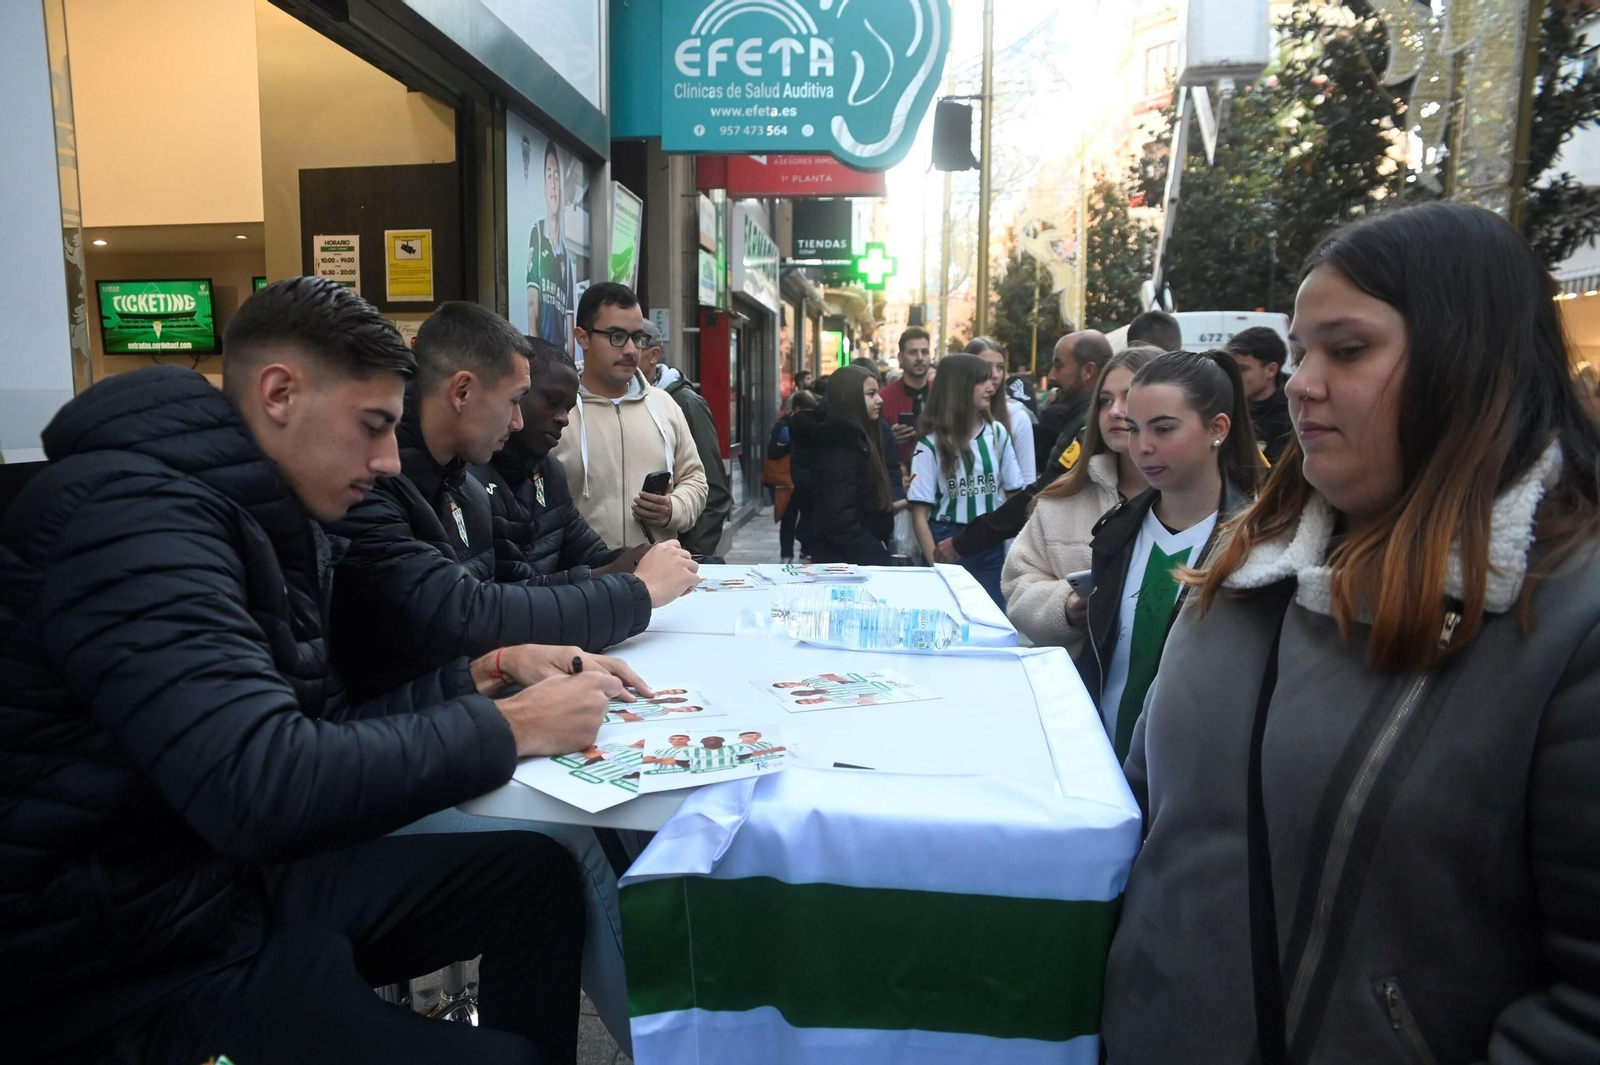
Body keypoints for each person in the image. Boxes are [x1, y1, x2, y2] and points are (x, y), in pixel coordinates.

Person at [0, 277, 634, 1064]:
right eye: (371, 427)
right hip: (116, 963)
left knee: (533, 876)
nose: (384, 461)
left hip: (218, 890)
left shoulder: (260, 512)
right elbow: (260, 783)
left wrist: (478, 678)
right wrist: (508, 726)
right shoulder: (126, 518)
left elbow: (313, 731)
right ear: (278, 393)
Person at [1103, 202, 1600, 1063]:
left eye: (1349, 349)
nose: (1300, 381)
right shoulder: (1246, 552)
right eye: (1300, 352)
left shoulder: (1571, 615)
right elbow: (1150, 807)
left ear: (1466, 359)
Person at [329, 302, 698, 696]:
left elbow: (472, 619)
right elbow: (469, 615)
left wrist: (505, 667)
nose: (519, 421)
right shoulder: (373, 487)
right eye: (371, 425)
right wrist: (636, 591)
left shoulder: (461, 484)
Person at [1070, 349, 1263, 762]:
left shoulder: (1256, 548)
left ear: (1218, 428)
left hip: (1189, 785)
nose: (1142, 447)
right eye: (1135, 429)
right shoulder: (1117, 532)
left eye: (1163, 429)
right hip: (1097, 765)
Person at [1001, 347, 1157, 651]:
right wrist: (1067, 607)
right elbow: (1018, 586)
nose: (1115, 411)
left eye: (1129, 397)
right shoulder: (1061, 499)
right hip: (1075, 684)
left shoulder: (1197, 502)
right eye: (1105, 401)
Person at [473, 335, 656, 586]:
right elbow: (497, 597)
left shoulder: (550, 471)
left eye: (569, 408)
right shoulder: (466, 477)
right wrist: (605, 573)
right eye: (552, 401)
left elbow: (591, 554)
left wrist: (640, 559)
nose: (563, 419)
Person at [552, 283, 709, 551]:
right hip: (581, 583)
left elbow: (695, 479)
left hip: (657, 578)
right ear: (582, 337)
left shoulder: (664, 406)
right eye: (616, 336)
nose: (631, 350)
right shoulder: (557, 411)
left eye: (637, 337)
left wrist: (674, 508)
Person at [908, 353, 1026, 605]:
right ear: (959, 387)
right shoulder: (930, 444)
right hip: (944, 536)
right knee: (944, 622)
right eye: (981, 381)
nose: (991, 386)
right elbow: (919, 514)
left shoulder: (997, 433)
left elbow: (1015, 496)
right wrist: (936, 563)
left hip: (988, 540)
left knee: (991, 621)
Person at [641, 319, 732, 556]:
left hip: (676, 552)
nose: (625, 350)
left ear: (653, 356)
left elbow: (713, 490)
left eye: (634, 341)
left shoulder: (685, 403)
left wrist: (693, 553)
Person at [790, 365, 897, 565]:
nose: (879, 400)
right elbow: (839, 520)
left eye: (878, 393)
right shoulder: (840, 447)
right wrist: (879, 557)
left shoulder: (859, 439)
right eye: (871, 394)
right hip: (844, 563)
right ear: (850, 398)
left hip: (855, 558)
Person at [966, 336, 1038, 480]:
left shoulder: (1017, 417)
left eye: (1000, 367)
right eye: (986, 367)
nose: (995, 375)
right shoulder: (947, 417)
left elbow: (1028, 479)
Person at [528, 140, 575, 350]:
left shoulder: (566, 257)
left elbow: (570, 334)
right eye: (549, 176)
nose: (554, 184)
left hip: (561, 363)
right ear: (545, 188)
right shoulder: (537, 235)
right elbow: (533, 314)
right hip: (544, 359)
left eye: (557, 177)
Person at [1225, 325, 1293, 463]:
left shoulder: (1293, 416)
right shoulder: (1225, 406)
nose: (1233, 376)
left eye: (1241, 369)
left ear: (1271, 370)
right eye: (1230, 368)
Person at [1040, 330, 1112, 457]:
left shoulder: (1091, 426)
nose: (1051, 376)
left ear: (1088, 371)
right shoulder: (1082, 418)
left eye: (1059, 366)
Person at [769, 389, 818, 562]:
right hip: (797, 479)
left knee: (790, 518)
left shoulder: (785, 424)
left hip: (792, 479)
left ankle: (788, 554)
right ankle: (803, 552)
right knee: (804, 516)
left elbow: (772, 451)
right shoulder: (790, 424)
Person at [880, 326, 934, 468]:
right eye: (913, 352)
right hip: (899, 476)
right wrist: (889, 439)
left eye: (924, 352)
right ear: (901, 358)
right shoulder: (883, 399)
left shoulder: (942, 394)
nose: (920, 358)